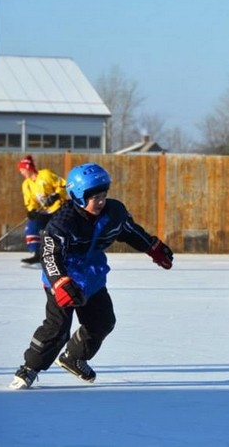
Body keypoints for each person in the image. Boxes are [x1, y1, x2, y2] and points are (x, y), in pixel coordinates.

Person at [9, 163, 174, 389]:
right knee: (57, 327)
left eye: (103, 195)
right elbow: (50, 255)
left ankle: (73, 357)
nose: (100, 201)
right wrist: (60, 282)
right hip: (63, 274)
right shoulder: (62, 223)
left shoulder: (114, 212)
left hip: (92, 274)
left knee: (102, 321)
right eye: (93, 196)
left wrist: (152, 247)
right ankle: (29, 368)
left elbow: (130, 231)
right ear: (77, 197)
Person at [18, 155, 68, 267]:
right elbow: (30, 202)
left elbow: (63, 185)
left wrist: (56, 195)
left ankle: (61, 256)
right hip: (45, 212)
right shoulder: (26, 185)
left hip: (60, 209)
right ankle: (37, 255)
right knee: (32, 226)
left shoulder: (45, 175)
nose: (21, 172)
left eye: (22, 169)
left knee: (56, 231)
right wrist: (32, 211)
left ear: (28, 168)